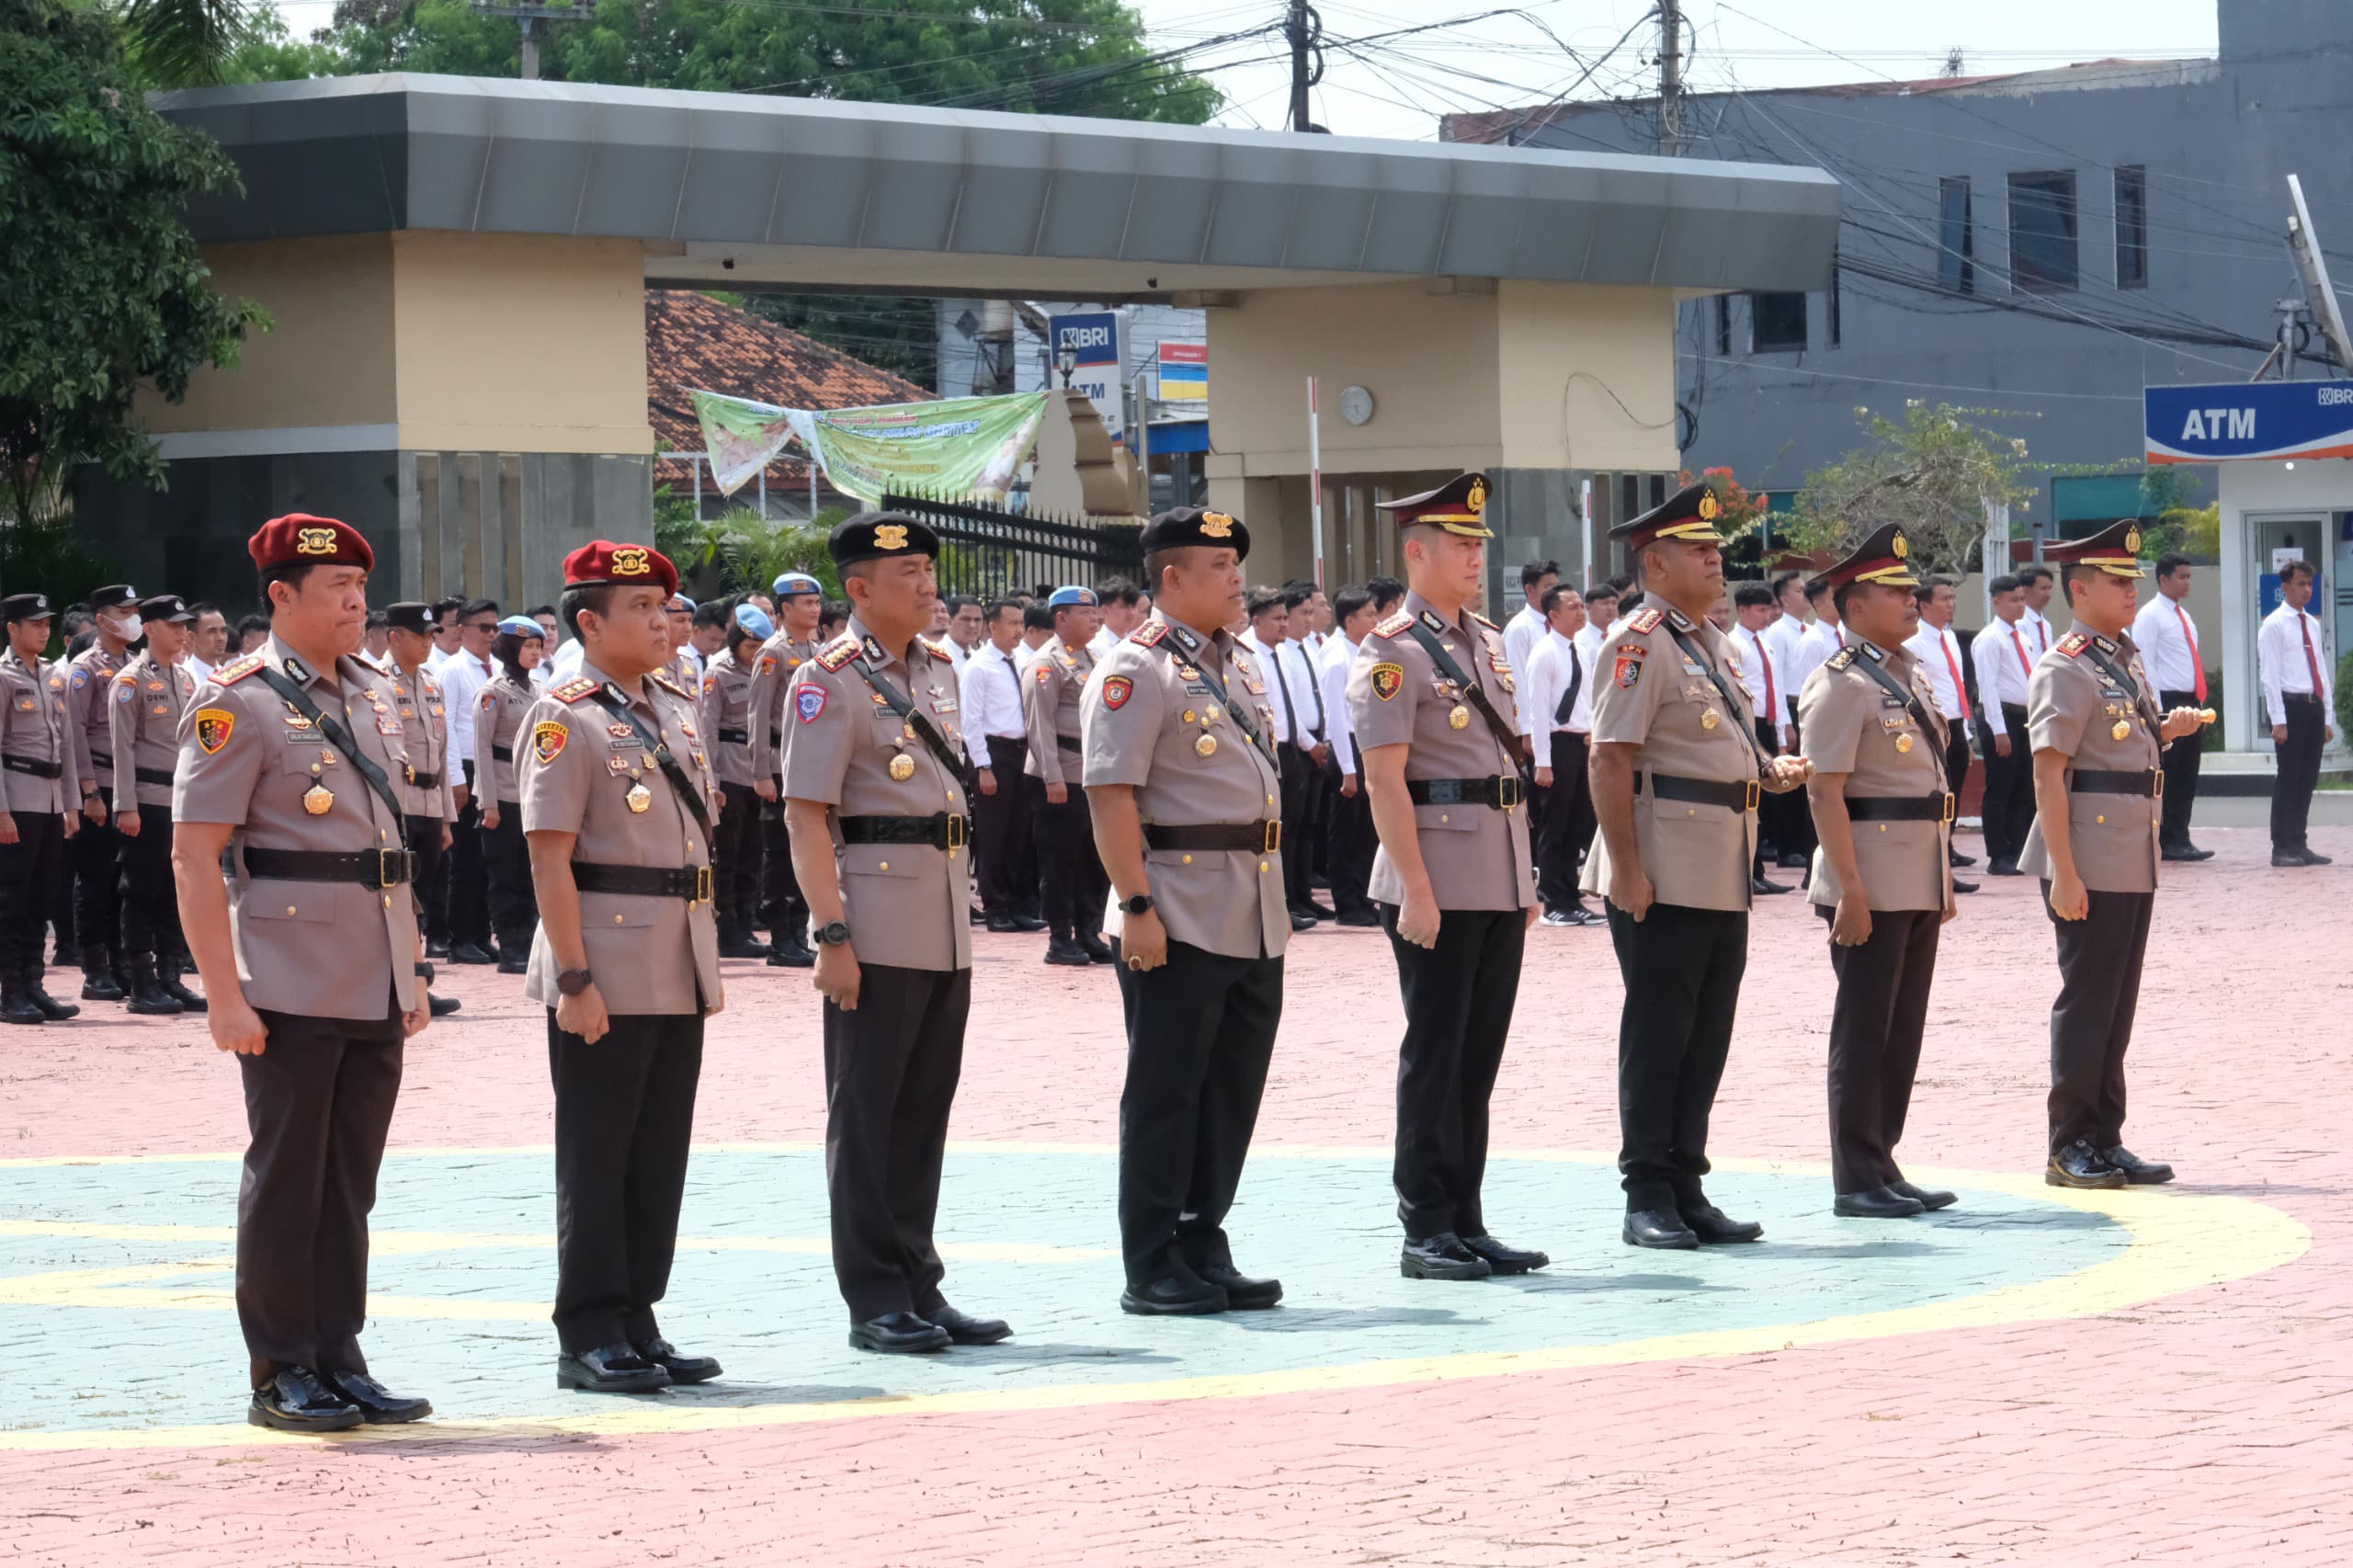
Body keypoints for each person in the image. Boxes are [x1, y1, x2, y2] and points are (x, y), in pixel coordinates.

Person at [171, 514, 433, 1432]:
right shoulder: (235, 701)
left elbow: (384, 842)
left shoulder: (370, 690)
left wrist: (412, 971)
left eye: (361, 585)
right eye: (336, 588)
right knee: (288, 1177)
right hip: (285, 975)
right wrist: (223, 992)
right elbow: (196, 858)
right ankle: (282, 1365)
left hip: (372, 972)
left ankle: (338, 1352)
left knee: (348, 1179)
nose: (356, 602)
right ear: (280, 596)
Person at [782, 512, 1008, 1355]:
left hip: (943, 915)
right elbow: (807, 817)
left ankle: (919, 1282)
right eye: (907, 571)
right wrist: (830, 931)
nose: (926, 583)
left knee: (922, 1112)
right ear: (859, 590)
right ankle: (874, 1297)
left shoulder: (939, 669)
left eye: (926, 568)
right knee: (868, 1115)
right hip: (874, 921)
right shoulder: (829, 680)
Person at [517, 540, 722, 1393]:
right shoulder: (566, 714)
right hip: (602, 956)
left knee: (657, 1151)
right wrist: (573, 977)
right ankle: (590, 1329)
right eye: (639, 608)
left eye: (664, 606)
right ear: (590, 622)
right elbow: (548, 857)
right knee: (597, 1152)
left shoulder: (674, 703)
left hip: (674, 952)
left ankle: (640, 1316)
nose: (662, 619)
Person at [1586, 479, 1813, 1250]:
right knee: (1658, 1031)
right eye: (1699, 550)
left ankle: (1687, 1183)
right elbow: (1610, 759)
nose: (1718, 561)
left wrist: (1764, 768)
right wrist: (1625, 866)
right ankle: (1645, 1190)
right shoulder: (1639, 642)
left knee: (1706, 1032)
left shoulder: (1709, 641)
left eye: (1718, 550)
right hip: (1661, 860)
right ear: (1655, 564)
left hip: (1719, 859)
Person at [1086, 506, 1290, 1314]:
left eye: (1237, 564)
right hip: (1175, 902)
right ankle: (1152, 1258)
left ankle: (1204, 1239)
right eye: (1219, 567)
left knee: (1231, 1088)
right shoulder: (1137, 668)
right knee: (1167, 1089)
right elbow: (1110, 796)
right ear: (1172, 578)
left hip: (1251, 900)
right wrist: (1135, 904)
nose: (1237, 578)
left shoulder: (1235, 663)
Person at [1346, 472, 1549, 1281]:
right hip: (1435, 874)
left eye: (1478, 546)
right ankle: (1424, 1223)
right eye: (1459, 546)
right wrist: (1416, 889)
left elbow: (1506, 767)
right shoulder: (1390, 651)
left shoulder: (1489, 642)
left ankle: (1467, 1216)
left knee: (1478, 1057)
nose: (1473, 559)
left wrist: (1524, 881)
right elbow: (1387, 781)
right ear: (1417, 552)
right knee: (1434, 1054)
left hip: (1495, 873)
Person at [2018, 521, 2204, 1188]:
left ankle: (2106, 1136)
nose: (2131, 592)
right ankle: (2069, 1145)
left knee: (2116, 1004)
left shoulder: (2121, 657)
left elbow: (2123, 749)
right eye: (2118, 582)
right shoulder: (2065, 664)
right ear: (2080, 588)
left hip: (2129, 849)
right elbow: (2049, 774)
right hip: (2088, 856)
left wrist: (2170, 732)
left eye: (2132, 581)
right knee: (2088, 1000)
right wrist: (2063, 871)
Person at [1796, 526, 1959, 1220]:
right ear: (1854, 606)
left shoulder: (1907, 671)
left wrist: (1942, 879)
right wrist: (1849, 891)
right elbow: (1824, 789)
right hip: (1867, 874)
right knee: (1864, 1031)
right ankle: (1855, 1176)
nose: (1910, 600)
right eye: (1894, 592)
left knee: (1901, 1029)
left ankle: (1883, 1159)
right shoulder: (1840, 682)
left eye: (1909, 589)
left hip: (1915, 870)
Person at [110, 595, 206, 1016]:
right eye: (174, 625)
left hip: (182, 801)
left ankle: (171, 977)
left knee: (175, 891)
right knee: (142, 891)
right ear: (149, 629)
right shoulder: (129, 681)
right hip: (146, 801)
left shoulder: (186, 679)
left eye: (185, 625)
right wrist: (124, 805)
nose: (183, 632)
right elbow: (122, 749)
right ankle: (141, 981)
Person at [0, 592, 84, 1024]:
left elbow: (66, 744)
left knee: (42, 895)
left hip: (51, 799)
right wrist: (2, 812)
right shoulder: (3, 675)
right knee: (11, 898)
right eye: (34, 623)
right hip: (17, 795)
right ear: (12, 628)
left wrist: (71, 803)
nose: (44, 629)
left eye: (47, 621)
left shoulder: (54, 675)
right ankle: (9, 989)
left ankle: (34, 985)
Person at [381, 605, 462, 1018]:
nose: (428, 643)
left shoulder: (432, 684)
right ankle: (400, 984)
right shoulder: (375, 682)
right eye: (421, 636)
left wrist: (447, 817)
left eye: (432, 636)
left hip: (430, 804)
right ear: (395, 638)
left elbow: (443, 754)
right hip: (400, 805)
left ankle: (417, 982)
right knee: (399, 900)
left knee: (424, 899)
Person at [1026, 585, 1111, 965]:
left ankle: (1089, 931)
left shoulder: (1092, 657)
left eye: (1095, 612)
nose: (1095, 619)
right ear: (1061, 618)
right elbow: (1038, 724)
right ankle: (1060, 937)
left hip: (1090, 772)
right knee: (1060, 860)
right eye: (1086, 612)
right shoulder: (1047, 662)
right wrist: (1052, 777)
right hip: (1060, 771)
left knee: (1093, 857)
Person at [65, 584, 140, 1004]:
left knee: (122, 880)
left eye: (134, 611)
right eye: (122, 611)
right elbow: (73, 733)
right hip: (98, 784)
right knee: (94, 879)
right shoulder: (84, 668)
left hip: (126, 786)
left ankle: (119, 961)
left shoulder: (134, 664)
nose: (132, 618)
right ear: (101, 619)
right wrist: (89, 790)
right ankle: (93, 969)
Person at [749, 573, 828, 966]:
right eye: (807, 603)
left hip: (813, 761)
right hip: (781, 762)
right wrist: (761, 771)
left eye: (816, 602)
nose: (815, 609)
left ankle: (800, 932)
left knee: (809, 846)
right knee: (779, 851)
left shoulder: (820, 648)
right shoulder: (773, 653)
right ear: (785, 609)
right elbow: (758, 715)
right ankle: (781, 938)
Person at [1522, 584, 1599, 926]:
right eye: (1573, 607)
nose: (1581, 611)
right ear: (1553, 615)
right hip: (1555, 745)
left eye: (1582, 605)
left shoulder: (1579, 650)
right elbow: (1537, 712)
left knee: (1576, 825)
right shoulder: (1544, 653)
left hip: (1580, 743)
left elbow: (1588, 701)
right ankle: (1553, 902)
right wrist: (1542, 762)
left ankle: (1571, 896)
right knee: (1553, 828)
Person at [962, 597, 1041, 933]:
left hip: (1021, 752)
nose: (1019, 631)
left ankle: (1018, 903)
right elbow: (971, 721)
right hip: (993, 753)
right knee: (994, 833)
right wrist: (983, 765)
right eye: (1012, 624)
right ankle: (995, 906)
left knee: (1020, 832)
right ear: (992, 627)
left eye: (1022, 624)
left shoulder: (1023, 660)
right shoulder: (979, 665)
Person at [472, 615, 546, 972]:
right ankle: (510, 944)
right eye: (527, 646)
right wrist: (487, 803)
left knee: (530, 873)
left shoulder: (538, 690)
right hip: (501, 791)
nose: (534, 653)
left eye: (537, 646)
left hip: (530, 790)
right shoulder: (493, 692)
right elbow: (482, 748)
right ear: (509, 648)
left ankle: (530, 940)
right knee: (504, 875)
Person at [2131, 553, 2213, 863]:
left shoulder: (2183, 616)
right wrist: (2156, 709)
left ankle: (2181, 835)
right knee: (2170, 771)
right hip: (2167, 700)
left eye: (2189, 576)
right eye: (2181, 576)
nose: (2186, 582)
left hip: (2190, 700)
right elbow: (2144, 662)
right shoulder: (2151, 615)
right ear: (2163, 578)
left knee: (2187, 772)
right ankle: (2166, 837)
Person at [700, 603, 770, 959]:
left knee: (753, 853)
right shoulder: (719, 673)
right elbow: (708, 729)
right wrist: (712, 781)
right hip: (728, 771)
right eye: (749, 647)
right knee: (727, 854)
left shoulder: (768, 669)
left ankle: (746, 923)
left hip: (759, 772)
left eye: (760, 648)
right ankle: (726, 929)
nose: (754, 654)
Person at [2257, 556, 2334, 868]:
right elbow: (2270, 675)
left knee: (2307, 778)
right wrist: (2278, 719)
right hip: (2290, 706)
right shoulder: (2274, 625)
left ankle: (2299, 842)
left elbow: (2321, 669)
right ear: (2285, 587)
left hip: (2313, 705)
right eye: (2300, 584)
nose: (2307, 590)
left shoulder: (2311, 623)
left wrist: (2327, 716)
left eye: (2310, 584)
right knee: (2289, 778)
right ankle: (2282, 846)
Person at [1904, 578, 1979, 892]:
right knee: (1935, 798)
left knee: (1954, 796)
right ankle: (1934, 865)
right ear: (1923, 605)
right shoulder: (1914, 643)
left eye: (1953, 597)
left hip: (1957, 725)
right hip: (1933, 729)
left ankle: (1946, 855)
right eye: (1944, 598)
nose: (1951, 603)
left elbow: (1956, 685)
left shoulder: (1949, 638)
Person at [1320, 586, 1381, 927]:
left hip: (1366, 744)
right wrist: (1347, 769)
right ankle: (1347, 902)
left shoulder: (1364, 650)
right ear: (1350, 619)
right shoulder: (1336, 657)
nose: (1375, 619)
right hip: (1348, 750)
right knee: (1344, 832)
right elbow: (1336, 719)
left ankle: (1362, 896)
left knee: (1365, 831)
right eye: (1369, 614)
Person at [1732, 582, 1798, 891]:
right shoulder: (1734, 644)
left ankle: (1759, 871)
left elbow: (1778, 688)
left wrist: (1783, 732)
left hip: (1769, 724)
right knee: (1750, 798)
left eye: (1769, 609)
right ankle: (1750, 871)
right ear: (1742, 610)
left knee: (1768, 798)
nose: (1766, 615)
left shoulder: (1766, 643)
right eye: (1759, 609)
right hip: (1749, 724)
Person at [1972, 574, 2039, 877]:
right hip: (2001, 716)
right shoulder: (1990, 638)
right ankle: (1998, 853)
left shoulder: (2023, 637)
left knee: (2024, 785)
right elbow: (1988, 688)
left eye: (2023, 599)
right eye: (2013, 600)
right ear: (1996, 602)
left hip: (2025, 716)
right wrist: (1998, 729)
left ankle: (2019, 848)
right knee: (2001, 787)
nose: (2020, 605)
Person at [1279, 588, 1336, 923]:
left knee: (1309, 825)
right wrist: (1309, 744)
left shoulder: (1310, 648)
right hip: (1298, 746)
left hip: (1316, 741)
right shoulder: (1280, 653)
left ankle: (1303, 894)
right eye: (1302, 613)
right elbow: (1288, 707)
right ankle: (1288, 897)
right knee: (1290, 828)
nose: (1308, 619)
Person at [1501, 559, 1558, 678]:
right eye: (1549, 587)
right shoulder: (1519, 628)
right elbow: (1516, 680)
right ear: (1530, 590)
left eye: (1557, 587)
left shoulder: (1558, 624)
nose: (1556, 593)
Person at [186, 603, 229, 685]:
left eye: (223, 631)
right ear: (192, 637)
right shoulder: (186, 678)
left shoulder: (228, 674)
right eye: (211, 631)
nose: (220, 638)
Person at [2018, 565, 2056, 655]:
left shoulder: (2046, 625)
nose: (2048, 594)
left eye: (2050, 588)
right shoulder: (2018, 623)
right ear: (2026, 591)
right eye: (2043, 588)